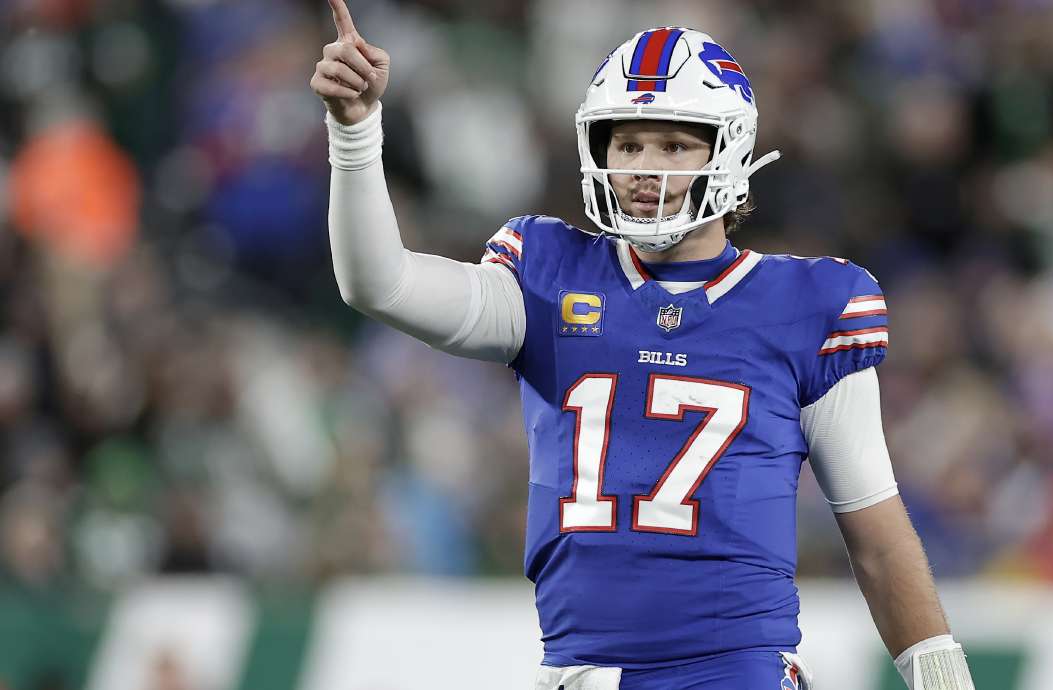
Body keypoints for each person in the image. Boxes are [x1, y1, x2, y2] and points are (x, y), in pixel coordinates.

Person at [312, 2, 977, 688]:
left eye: (673, 146)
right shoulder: (548, 275)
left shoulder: (807, 306)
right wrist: (355, 132)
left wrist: (940, 675)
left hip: (730, 673)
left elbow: (875, 532)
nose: (644, 168)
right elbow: (380, 284)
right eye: (627, 145)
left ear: (728, 152)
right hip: (579, 671)